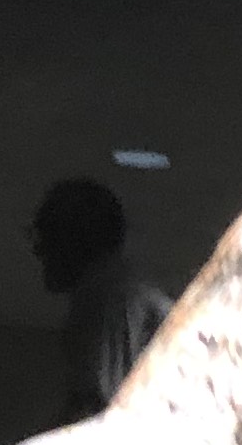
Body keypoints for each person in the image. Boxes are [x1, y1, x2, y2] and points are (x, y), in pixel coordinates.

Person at [30, 176, 173, 420]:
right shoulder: (119, 292)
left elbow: (102, 414)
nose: (38, 250)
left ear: (73, 240)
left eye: (47, 236)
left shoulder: (112, 296)